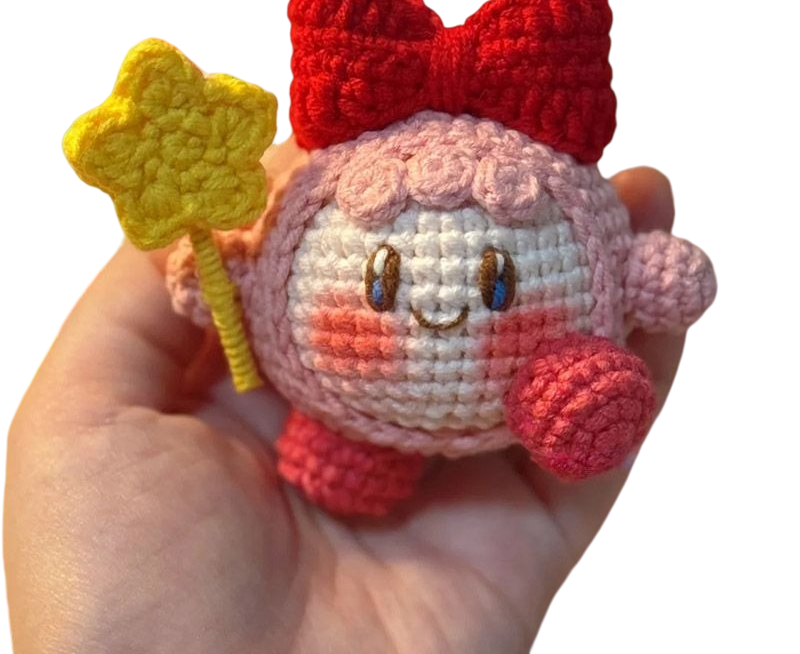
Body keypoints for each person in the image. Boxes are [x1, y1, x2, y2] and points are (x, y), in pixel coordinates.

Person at [4, 150, 684, 654]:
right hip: (337, 427)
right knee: (340, 464)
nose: (438, 315)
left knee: (577, 411)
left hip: (529, 401)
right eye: (384, 286)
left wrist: (646, 283)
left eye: (493, 285)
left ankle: (568, 405)